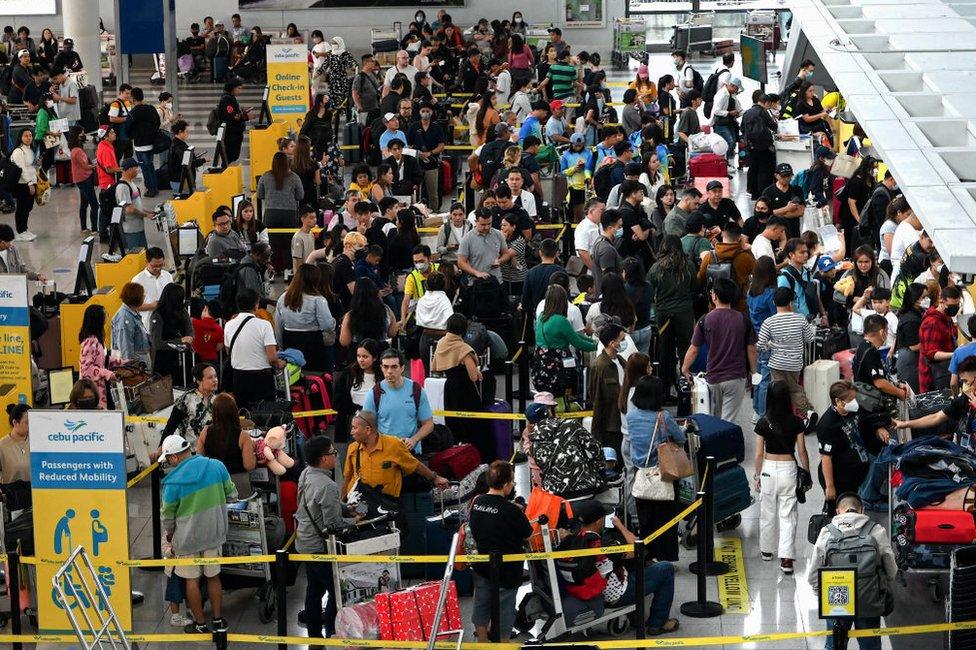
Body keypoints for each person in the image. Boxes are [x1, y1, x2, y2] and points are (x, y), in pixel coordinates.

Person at [160, 434, 237, 634]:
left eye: (168, 460)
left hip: (186, 540)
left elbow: (168, 517)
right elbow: (232, 495)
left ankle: (201, 624)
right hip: (213, 533)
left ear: (174, 457)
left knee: (191, 581)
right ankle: (218, 621)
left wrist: (169, 535)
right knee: (213, 577)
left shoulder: (172, 483)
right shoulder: (216, 466)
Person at [808, 493, 897, 650]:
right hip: (869, 599)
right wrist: (883, 586)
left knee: (834, 645)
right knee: (870, 645)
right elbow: (891, 568)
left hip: (837, 599)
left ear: (837, 511)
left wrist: (821, 593)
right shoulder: (876, 530)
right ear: (861, 510)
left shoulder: (827, 532)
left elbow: (813, 573)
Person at [296, 435, 356, 642]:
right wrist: (355, 521)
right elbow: (333, 525)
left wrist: (346, 508)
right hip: (319, 547)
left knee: (314, 589)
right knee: (336, 589)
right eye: (333, 453)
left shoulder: (306, 473)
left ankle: (314, 635)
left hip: (303, 541)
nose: (336, 456)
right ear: (323, 459)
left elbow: (313, 504)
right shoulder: (329, 485)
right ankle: (331, 628)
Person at [469, 460, 532, 642]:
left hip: (482, 565)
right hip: (507, 569)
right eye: (512, 481)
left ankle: (481, 642)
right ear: (505, 484)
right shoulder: (511, 511)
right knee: (504, 608)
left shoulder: (477, 502)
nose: (513, 485)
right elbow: (528, 535)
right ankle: (503, 644)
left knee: (481, 604)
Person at [626, 375, 687, 560]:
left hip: (640, 474)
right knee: (666, 520)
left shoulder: (631, 416)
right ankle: (666, 558)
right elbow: (680, 439)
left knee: (646, 520)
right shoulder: (663, 417)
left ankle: (647, 556)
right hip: (663, 474)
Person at [683, 278, 758, 422]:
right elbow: (751, 349)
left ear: (715, 296)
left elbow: (694, 349)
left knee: (714, 418)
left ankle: (715, 440)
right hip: (736, 377)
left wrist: (685, 368)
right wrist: (753, 372)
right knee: (728, 420)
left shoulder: (705, 320)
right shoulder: (743, 319)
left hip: (713, 377)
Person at [754, 380, 810, 574]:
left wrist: (757, 475)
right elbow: (802, 450)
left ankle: (767, 551)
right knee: (788, 515)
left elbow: (759, 454)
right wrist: (807, 471)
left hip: (768, 468)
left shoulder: (763, 421)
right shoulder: (797, 422)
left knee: (767, 511)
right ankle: (786, 559)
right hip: (788, 469)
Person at [340, 409, 448, 501]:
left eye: (354, 428)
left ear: (368, 430)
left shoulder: (394, 445)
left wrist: (435, 477)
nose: (351, 432)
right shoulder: (353, 448)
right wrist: (342, 503)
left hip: (386, 505)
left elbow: (415, 465)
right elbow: (348, 477)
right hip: (358, 506)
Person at [816, 381, 885, 515]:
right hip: (839, 477)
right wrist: (830, 486)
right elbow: (826, 458)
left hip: (854, 475)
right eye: (850, 400)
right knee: (841, 514)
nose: (854, 402)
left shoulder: (852, 411)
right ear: (838, 401)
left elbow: (866, 420)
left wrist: (879, 427)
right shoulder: (827, 424)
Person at [433, 313, 494, 460]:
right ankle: (482, 458)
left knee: (455, 426)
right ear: (463, 329)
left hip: (449, 389)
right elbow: (473, 376)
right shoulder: (463, 348)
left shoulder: (441, 343)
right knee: (475, 427)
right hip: (465, 391)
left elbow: (435, 366)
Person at [649, 235, 699, 400]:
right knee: (686, 349)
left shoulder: (657, 268)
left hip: (664, 315)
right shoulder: (688, 266)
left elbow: (649, 288)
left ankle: (664, 389)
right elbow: (695, 287)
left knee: (665, 352)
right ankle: (686, 386)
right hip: (685, 313)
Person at [758, 287, 817, 425]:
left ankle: (782, 417)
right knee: (794, 388)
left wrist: (771, 345)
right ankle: (805, 413)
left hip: (776, 363)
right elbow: (810, 339)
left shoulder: (769, 322)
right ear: (791, 303)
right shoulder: (800, 319)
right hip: (795, 363)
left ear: (774, 302)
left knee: (778, 390)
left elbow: (760, 344)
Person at [362, 348, 434, 452]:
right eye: (386, 367)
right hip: (384, 451)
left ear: (402, 368)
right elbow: (366, 426)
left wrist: (414, 440)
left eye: (394, 367)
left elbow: (428, 424)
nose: (389, 371)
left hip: (410, 452)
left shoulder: (416, 390)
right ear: (381, 368)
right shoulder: (374, 393)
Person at [223, 289, 285, 407]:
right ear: (256, 305)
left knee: (244, 417)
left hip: (239, 379)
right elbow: (272, 358)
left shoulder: (228, 325)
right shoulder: (264, 325)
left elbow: (229, 352)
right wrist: (280, 363)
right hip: (261, 380)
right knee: (265, 417)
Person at [534, 285, 597, 397]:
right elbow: (578, 342)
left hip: (541, 363)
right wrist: (597, 345)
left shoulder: (541, 317)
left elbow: (574, 336)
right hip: (558, 366)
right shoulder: (561, 321)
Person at [276, 264, 336, 373]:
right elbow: (327, 326)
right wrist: (334, 322)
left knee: (294, 376)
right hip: (313, 343)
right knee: (315, 376)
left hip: (290, 341)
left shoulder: (283, 298)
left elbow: (278, 326)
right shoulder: (318, 300)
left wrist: (280, 346)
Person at [196, 393, 255, 499]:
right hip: (238, 484)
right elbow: (249, 465)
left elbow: (199, 459)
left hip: (213, 484)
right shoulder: (243, 436)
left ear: (214, 412)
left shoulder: (205, 432)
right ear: (234, 412)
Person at [160, 362, 218, 450]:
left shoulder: (216, 400)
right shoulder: (186, 399)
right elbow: (171, 426)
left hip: (211, 451)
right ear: (199, 381)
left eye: (215, 376)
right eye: (210, 377)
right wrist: (160, 448)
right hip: (191, 452)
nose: (215, 380)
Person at [589, 323, 626, 454]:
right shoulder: (600, 366)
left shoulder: (621, 361)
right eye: (622, 339)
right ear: (612, 343)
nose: (625, 342)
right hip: (610, 424)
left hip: (624, 420)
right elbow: (595, 396)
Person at [918, 284, 961, 392]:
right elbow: (931, 353)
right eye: (951, 305)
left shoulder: (947, 319)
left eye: (957, 305)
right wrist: (955, 354)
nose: (954, 308)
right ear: (941, 302)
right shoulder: (932, 322)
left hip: (945, 372)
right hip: (933, 378)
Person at [149, 284, 194, 386]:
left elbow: (189, 329)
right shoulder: (158, 315)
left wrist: (189, 338)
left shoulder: (182, 311)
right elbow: (157, 343)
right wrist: (180, 341)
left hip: (182, 359)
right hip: (164, 361)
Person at [77, 305, 117, 409]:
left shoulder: (98, 339)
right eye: (105, 314)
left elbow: (104, 360)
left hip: (102, 386)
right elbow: (86, 370)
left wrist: (124, 362)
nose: (107, 316)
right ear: (98, 319)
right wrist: (107, 373)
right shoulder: (90, 342)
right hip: (93, 391)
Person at [458, 209, 511, 282]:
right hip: (476, 283)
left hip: (496, 281)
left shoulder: (498, 234)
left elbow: (506, 254)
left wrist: (500, 261)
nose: (487, 227)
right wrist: (476, 273)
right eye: (483, 225)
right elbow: (461, 262)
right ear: (476, 222)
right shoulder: (467, 238)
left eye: (489, 224)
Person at [257, 151, 304, 230]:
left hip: (270, 213)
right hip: (289, 214)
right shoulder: (294, 177)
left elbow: (259, 195)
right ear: (287, 163)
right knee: (289, 238)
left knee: (270, 239)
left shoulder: (265, 176)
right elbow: (300, 196)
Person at [127, 87, 161, 197]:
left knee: (145, 168)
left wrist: (134, 135)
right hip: (151, 142)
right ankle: (154, 186)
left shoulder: (132, 113)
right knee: (150, 165)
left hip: (140, 145)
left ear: (133, 98)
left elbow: (127, 129)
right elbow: (158, 122)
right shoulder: (151, 108)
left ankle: (151, 189)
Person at [132, 247, 174, 330]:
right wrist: (151, 306)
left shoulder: (167, 276)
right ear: (146, 262)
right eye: (154, 266)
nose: (158, 269)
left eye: (161, 265)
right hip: (147, 327)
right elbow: (132, 306)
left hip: (167, 325)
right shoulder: (138, 280)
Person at [112, 282, 151, 367]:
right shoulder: (124, 318)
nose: (144, 297)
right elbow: (125, 347)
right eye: (142, 295)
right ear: (136, 297)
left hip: (141, 358)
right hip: (135, 364)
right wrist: (130, 368)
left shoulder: (133, 312)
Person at [762, 163, 805, 240]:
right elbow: (766, 213)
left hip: (793, 232)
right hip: (775, 234)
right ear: (776, 175)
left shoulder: (797, 190)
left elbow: (800, 211)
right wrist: (787, 209)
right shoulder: (768, 192)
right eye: (783, 176)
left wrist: (778, 214)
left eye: (789, 176)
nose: (787, 178)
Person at [68, 126, 98, 232]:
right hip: (84, 179)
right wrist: (95, 165)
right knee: (94, 204)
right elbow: (85, 166)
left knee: (84, 203)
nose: (83, 135)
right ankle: (94, 228)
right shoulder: (78, 151)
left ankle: (84, 227)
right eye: (82, 133)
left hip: (81, 178)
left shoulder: (75, 149)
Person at [9, 127, 37, 240]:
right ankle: (20, 231)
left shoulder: (30, 149)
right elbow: (22, 169)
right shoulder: (18, 151)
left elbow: (30, 167)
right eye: (26, 136)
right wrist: (29, 183)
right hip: (22, 184)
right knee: (22, 207)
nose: (28, 138)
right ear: (20, 137)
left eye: (30, 135)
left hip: (32, 182)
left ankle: (24, 228)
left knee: (28, 207)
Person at [217, 80, 250, 163]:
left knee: (232, 157)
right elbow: (233, 117)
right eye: (238, 88)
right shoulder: (227, 99)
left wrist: (242, 113)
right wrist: (246, 117)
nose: (240, 91)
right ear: (232, 88)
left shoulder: (230, 97)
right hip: (230, 135)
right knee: (229, 158)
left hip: (234, 134)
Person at [0, 403, 30, 483]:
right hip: (12, 493)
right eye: (27, 422)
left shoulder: (36, 442)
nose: (31, 425)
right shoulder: (2, 445)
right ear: (15, 422)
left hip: (35, 494)